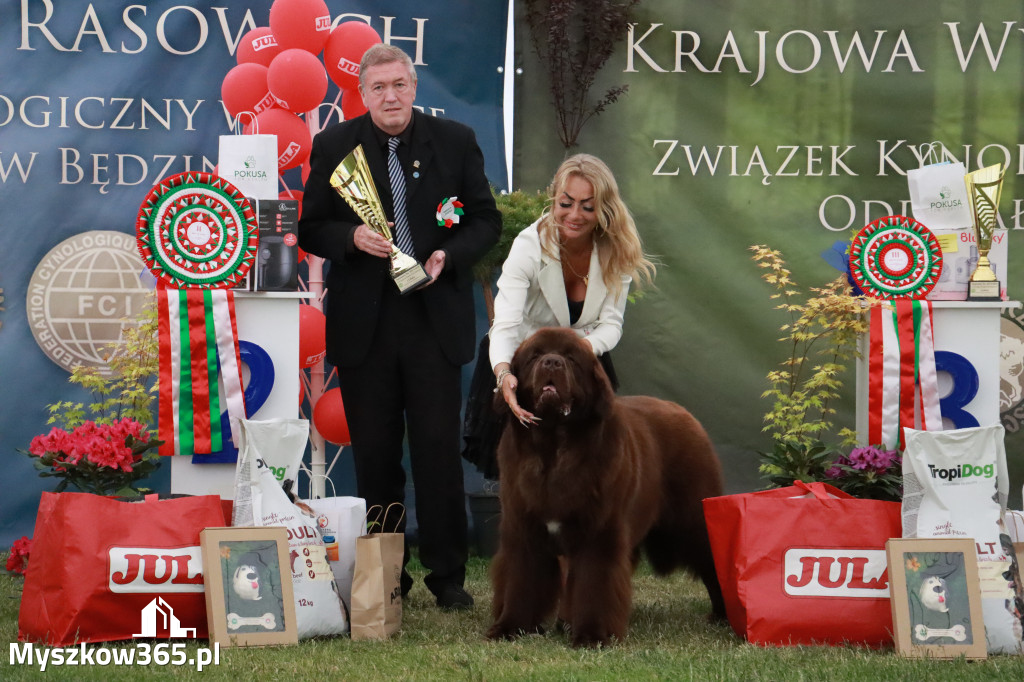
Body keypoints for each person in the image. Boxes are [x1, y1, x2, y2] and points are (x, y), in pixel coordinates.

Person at [298, 43, 501, 610]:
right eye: (378, 88)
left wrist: (447, 258)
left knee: (437, 452)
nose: (390, 96)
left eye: (399, 85)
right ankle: (389, 576)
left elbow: (486, 220)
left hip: (433, 322)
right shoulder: (335, 145)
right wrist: (349, 239)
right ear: (362, 95)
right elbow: (312, 226)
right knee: (377, 457)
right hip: (367, 326)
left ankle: (447, 577)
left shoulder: (455, 141)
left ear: (415, 89)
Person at [489, 153, 656, 424]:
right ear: (555, 199)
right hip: (524, 367)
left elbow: (611, 325)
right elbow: (506, 324)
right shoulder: (528, 245)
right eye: (566, 203)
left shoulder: (617, 250)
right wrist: (504, 373)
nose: (574, 215)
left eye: (588, 207)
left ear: (604, 208)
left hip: (583, 362)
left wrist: (577, 351)